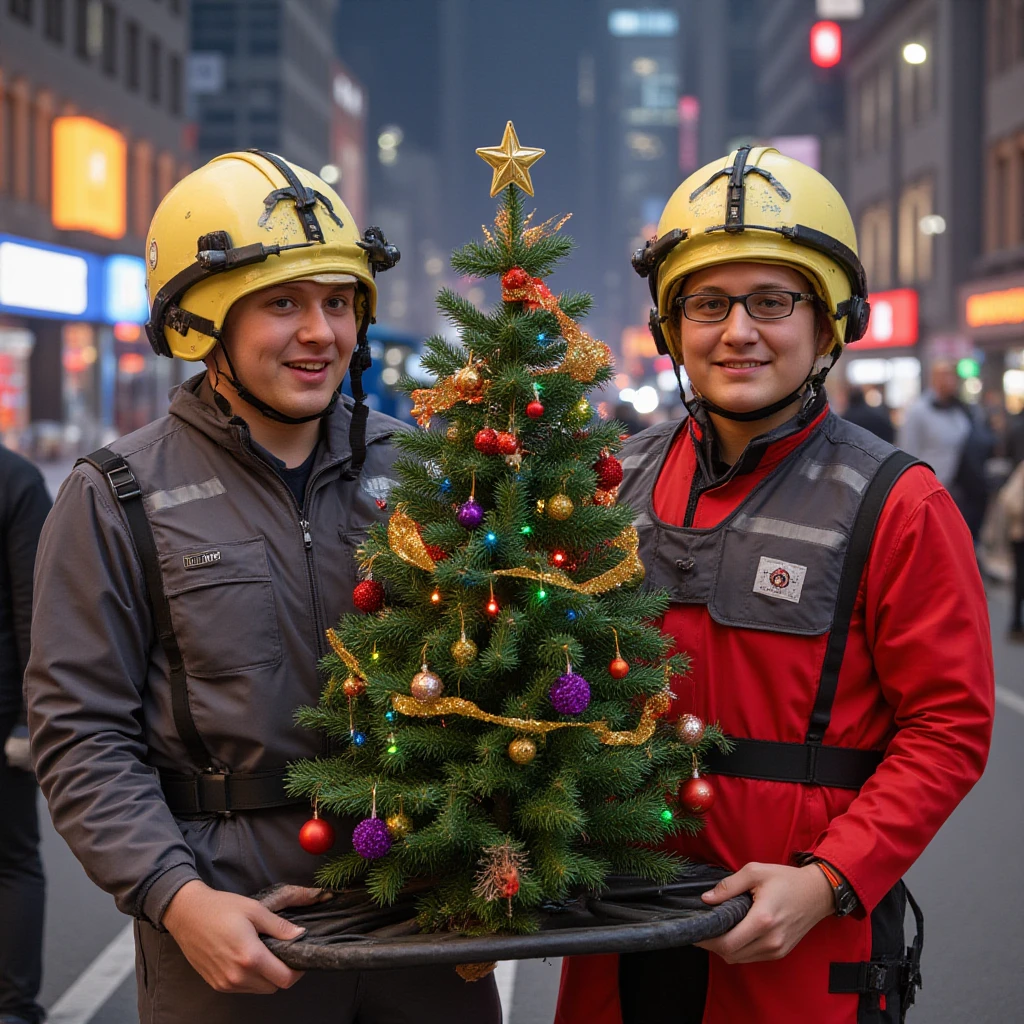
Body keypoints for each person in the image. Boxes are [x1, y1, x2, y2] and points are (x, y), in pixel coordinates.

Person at [27, 152, 500, 1024]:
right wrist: (176, 897)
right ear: (205, 321)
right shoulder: (116, 496)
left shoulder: (428, 473)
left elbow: (504, 673)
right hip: (232, 930)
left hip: (428, 921)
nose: (321, 331)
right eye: (283, 302)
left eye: (337, 300)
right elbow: (81, 732)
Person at [555, 146, 994, 1024]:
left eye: (773, 301)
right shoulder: (609, 486)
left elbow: (949, 729)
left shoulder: (899, 503)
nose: (738, 331)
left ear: (831, 324)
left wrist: (832, 880)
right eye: (708, 303)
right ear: (671, 326)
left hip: (793, 945)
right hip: (614, 930)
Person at [0, 445, 51, 1024]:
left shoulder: (15, 480)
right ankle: (13, 1009)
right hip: (4, 722)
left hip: (5, 723)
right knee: (11, 862)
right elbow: (36, 610)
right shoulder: (15, 479)